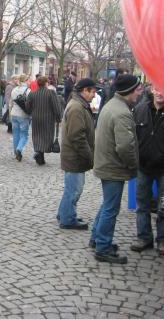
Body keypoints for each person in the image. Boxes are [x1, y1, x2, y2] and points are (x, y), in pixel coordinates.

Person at [90, 74, 142, 264]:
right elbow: (125, 147)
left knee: (107, 205)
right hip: (113, 167)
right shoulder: (122, 112)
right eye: (138, 88)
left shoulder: (112, 105)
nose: (140, 91)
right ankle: (103, 247)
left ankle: (97, 240)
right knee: (111, 208)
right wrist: (133, 165)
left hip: (107, 163)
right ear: (129, 90)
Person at [131, 84, 164, 256]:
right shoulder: (140, 109)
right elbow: (133, 136)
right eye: (157, 88)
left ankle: (162, 240)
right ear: (152, 90)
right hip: (143, 166)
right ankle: (144, 237)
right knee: (142, 204)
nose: (160, 92)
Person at [57, 78, 98, 230]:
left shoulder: (79, 105)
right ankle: (67, 219)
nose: (94, 95)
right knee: (74, 190)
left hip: (74, 156)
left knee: (71, 188)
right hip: (75, 157)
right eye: (93, 91)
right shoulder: (76, 107)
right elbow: (77, 136)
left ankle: (65, 213)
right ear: (84, 90)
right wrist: (89, 156)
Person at [26, 75, 62, 165]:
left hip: (36, 118)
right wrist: (58, 117)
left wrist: (31, 112)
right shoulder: (51, 93)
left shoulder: (32, 93)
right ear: (46, 83)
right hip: (48, 119)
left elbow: (27, 107)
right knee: (46, 136)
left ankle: (39, 155)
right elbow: (56, 106)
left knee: (37, 136)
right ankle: (39, 155)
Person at [10, 74, 31, 162]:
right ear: (25, 81)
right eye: (28, 80)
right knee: (24, 135)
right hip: (23, 115)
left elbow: (10, 103)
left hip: (14, 114)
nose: (29, 82)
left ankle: (15, 152)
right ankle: (19, 149)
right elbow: (30, 104)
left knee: (15, 134)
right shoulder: (28, 91)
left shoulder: (14, 89)